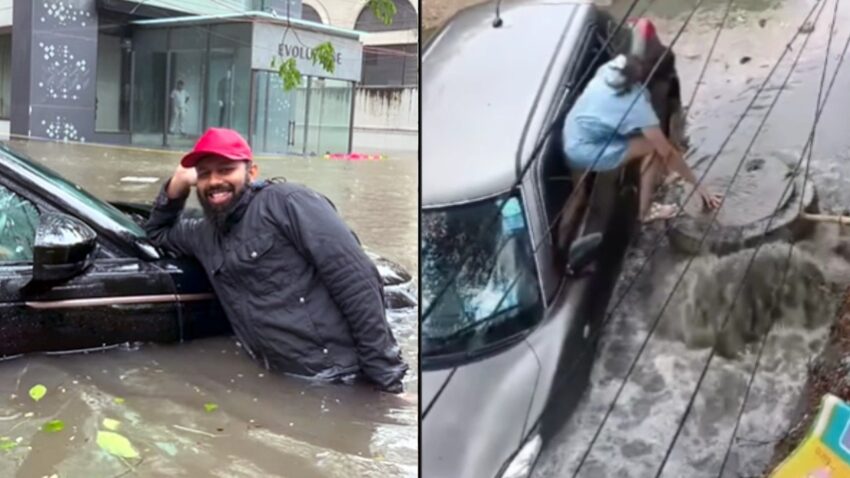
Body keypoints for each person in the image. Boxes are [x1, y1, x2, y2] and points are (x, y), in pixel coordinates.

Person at [144, 128, 409, 394]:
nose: (214, 181)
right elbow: (157, 232)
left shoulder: (287, 202)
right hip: (286, 381)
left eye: (225, 170)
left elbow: (357, 281)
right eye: (204, 174)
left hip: (342, 377)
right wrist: (177, 181)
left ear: (252, 172)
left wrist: (386, 381)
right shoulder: (203, 235)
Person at [562, 54, 721, 224]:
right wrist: (700, 187)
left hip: (571, 137)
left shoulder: (609, 69)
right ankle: (644, 212)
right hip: (588, 150)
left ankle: (555, 246)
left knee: (578, 196)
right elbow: (666, 152)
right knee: (652, 147)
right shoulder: (636, 104)